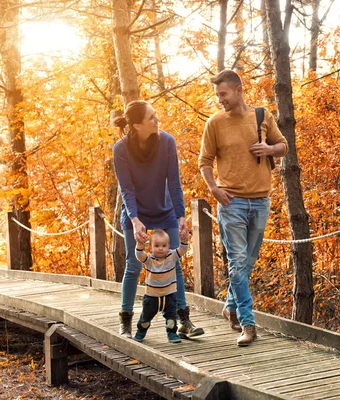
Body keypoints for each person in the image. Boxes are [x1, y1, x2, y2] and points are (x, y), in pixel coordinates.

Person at [198, 70, 288, 346]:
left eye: (223, 94)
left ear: (238, 90)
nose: (220, 100)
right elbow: (204, 161)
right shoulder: (215, 123)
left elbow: (283, 145)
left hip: (261, 200)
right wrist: (213, 188)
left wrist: (270, 150)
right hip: (231, 203)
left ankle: (230, 306)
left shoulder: (261, 116)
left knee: (246, 264)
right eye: (217, 96)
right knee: (237, 263)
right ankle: (248, 324)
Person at [113, 100, 204, 340]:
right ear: (136, 125)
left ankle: (183, 319)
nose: (157, 119)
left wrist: (180, 215)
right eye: (151, 117)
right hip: (136, 213)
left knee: (175, 263)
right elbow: (126, 189)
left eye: (156, 115)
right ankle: (125, 320)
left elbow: (174, 182)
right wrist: (134, 220)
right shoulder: (120, 149)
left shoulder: (167, 142)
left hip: (165, 210)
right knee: (133, 265)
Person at [134, 229, 189, 343]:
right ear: (151, 247)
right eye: (157, 245)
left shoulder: (172, 256)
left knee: (171, 317)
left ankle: (172, 333)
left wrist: (184, 241)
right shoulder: (149, 259)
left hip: (169, 294)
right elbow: (139, 255)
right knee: (146, 317)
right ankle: (141, 331)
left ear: (168, 246)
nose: (160, 248)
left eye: (164, 245)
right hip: (152, 296)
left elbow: (182, 250)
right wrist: (140, 245)